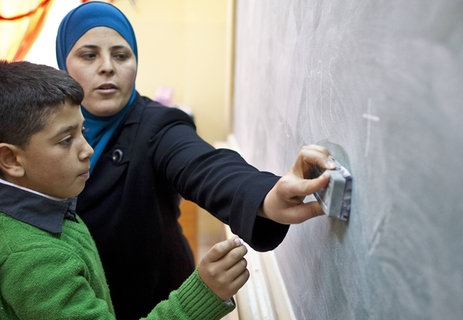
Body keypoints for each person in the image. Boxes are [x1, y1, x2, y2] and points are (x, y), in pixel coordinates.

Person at [55, 2, 335, 319]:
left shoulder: (156, 125)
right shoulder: (47, 132)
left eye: (121, 55)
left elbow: (201, 164)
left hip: (153, 298)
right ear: (63, 64)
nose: (107, 67)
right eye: (89, 55)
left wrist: (265, 195)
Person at [0, 60, 250, 320]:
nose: (87, 149)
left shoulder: (38, 204)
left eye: (83, 132)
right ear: (11, 159)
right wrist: (203, 293)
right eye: (66, 140)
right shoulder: (32, 261)